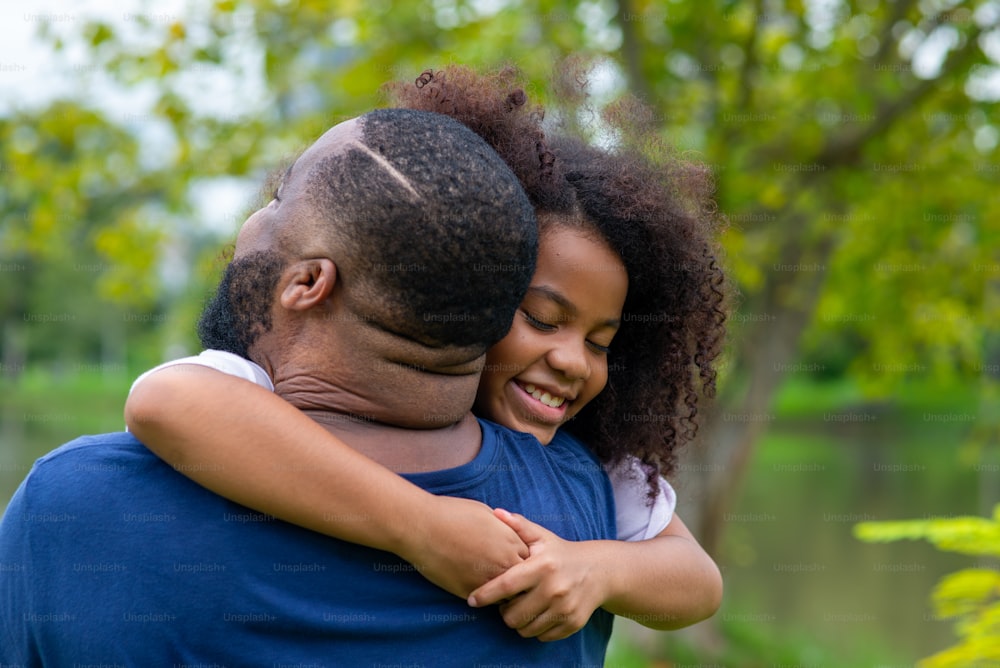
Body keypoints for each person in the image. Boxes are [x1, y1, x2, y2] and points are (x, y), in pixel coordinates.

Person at [123, 65, 727, 641]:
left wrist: (600, 570)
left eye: (601, 343)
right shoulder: (285, 387)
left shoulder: (593, 468)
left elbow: (697, 582)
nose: (573, 360)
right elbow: (165, 401)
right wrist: (421, 526)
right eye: (542, 320)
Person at [0, 108, 618, 666]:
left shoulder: (76, 504)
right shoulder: (580, 511)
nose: (252, 221)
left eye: (275, 198)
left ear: (309, 282)